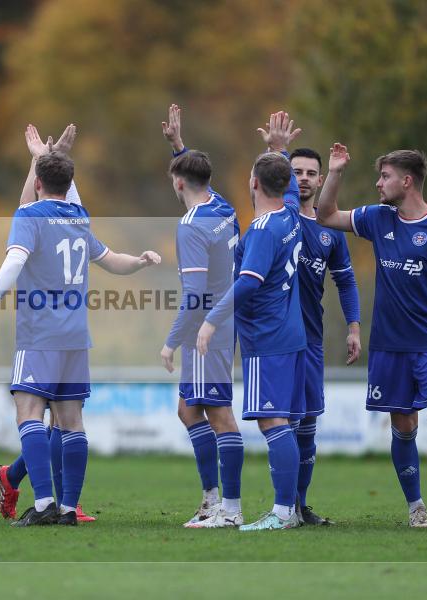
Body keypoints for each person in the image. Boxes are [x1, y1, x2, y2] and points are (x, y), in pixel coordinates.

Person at [0, 142, 160, 526]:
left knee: (28, 415)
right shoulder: (79, 217)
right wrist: (140, 261)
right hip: (76, 336)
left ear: (38, 182)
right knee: (71, 421)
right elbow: (111, 260)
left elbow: (15, 257)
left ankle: (43, 503)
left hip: (40, 334)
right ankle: (67, 509)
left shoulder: (29, 215)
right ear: (69, 182)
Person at [316, 144, 427, 528]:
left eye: (385, 177)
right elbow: (325, 215)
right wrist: (335, 172)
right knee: (403, 426)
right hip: (389, 347)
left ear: (407, 181)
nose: (379, 183)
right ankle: (416, 508)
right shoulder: (378, 218)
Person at [198, 112, 306, 531]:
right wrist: (278, 151)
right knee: (283, 422)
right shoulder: (290, 216)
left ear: (253, 184)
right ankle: (289, 509)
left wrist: (211, 320)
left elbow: (247, 283)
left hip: (268, 335)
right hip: (291, 332)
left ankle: (282, 513)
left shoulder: (262, 229)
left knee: (271, 421)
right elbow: (291, 190)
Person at [0, 125, 94, 523]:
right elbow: (41, 205)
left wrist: (45, 159)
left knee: (43, 414)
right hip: (65, 330)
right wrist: (50, 161)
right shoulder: (67, 214)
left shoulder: (50, 214)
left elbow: (36, 206)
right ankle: (58, 501)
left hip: (47, 329)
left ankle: (36, 492)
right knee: (59, 418)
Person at [158, 105, 245, 529]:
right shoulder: (223, 207)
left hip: (206, 329)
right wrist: (179, 146)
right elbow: (194, 173)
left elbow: (193, 295)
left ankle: (229, 509)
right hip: (223, 322)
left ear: (177, 183)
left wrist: (171, 340)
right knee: (189, 410)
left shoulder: (191, 225)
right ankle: (212, 500)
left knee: (219, 414)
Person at [288, 147, 362, 525]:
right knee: (283, 423)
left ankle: (300, 506)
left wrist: (353, 326)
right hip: (277, 340)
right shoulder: (277, 218)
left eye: (309, 173)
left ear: (320, 180)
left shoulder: (329, 228)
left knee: (309, 423)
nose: (303, 177)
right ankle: (282, 507)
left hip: (312, 339)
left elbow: (346, 280)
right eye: (295, 170)